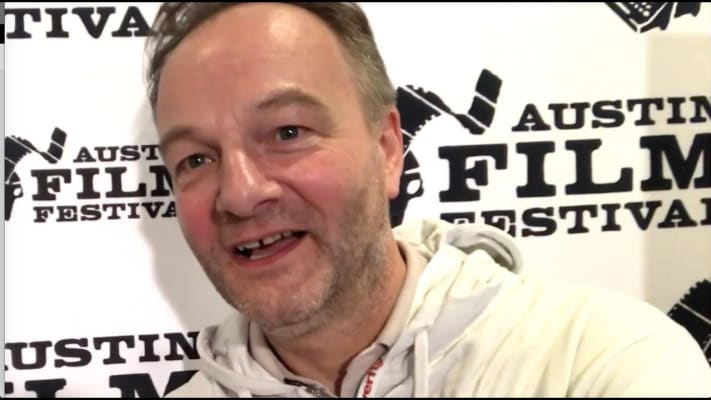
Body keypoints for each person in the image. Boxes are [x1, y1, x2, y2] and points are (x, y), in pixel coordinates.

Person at [144, 2, 711, 397]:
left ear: (388, 149)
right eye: (195, 159)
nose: (240, 194)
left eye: (288, 132)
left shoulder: (599, 361)